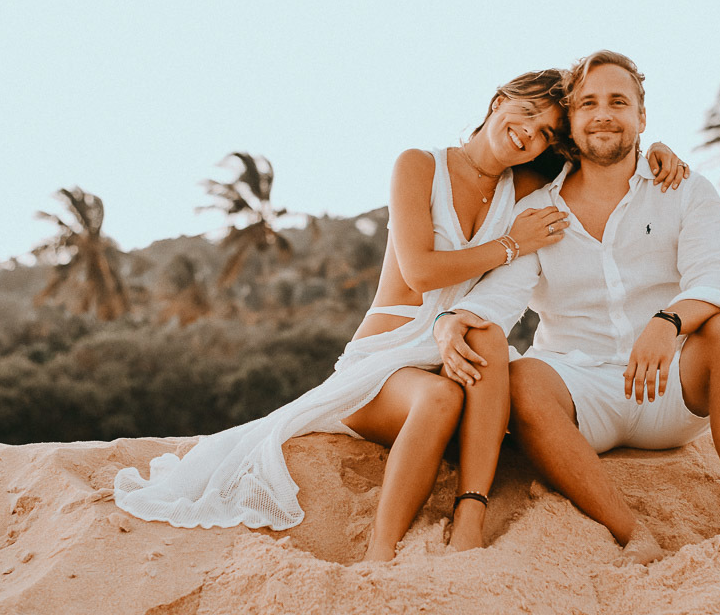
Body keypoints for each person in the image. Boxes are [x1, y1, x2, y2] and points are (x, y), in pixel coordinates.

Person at [114, 66, 689, 562]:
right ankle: (381, 551)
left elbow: (604, 156)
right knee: (438, 397)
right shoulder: (419, 165)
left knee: (487, 335)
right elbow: (420, 271)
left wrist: (656, 152)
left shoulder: (529, 184)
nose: (530, 134)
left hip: (457, 353)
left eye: (545, 133)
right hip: (385, 362)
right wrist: (512, 244)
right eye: (527, 113)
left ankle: (470, 518)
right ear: (499, 101)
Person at [433, 50, 720, 567]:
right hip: (579, 395)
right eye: (588, 104)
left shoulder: (683, 189)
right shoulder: (538, 209)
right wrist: (452, 320)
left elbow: (715, 280)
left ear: (642, 116)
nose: (603, 114)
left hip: (670, 386)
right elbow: (500, 296)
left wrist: (668, 323)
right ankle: (634, 534)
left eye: (618, 102)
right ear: (571, 123)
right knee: (523, 377)